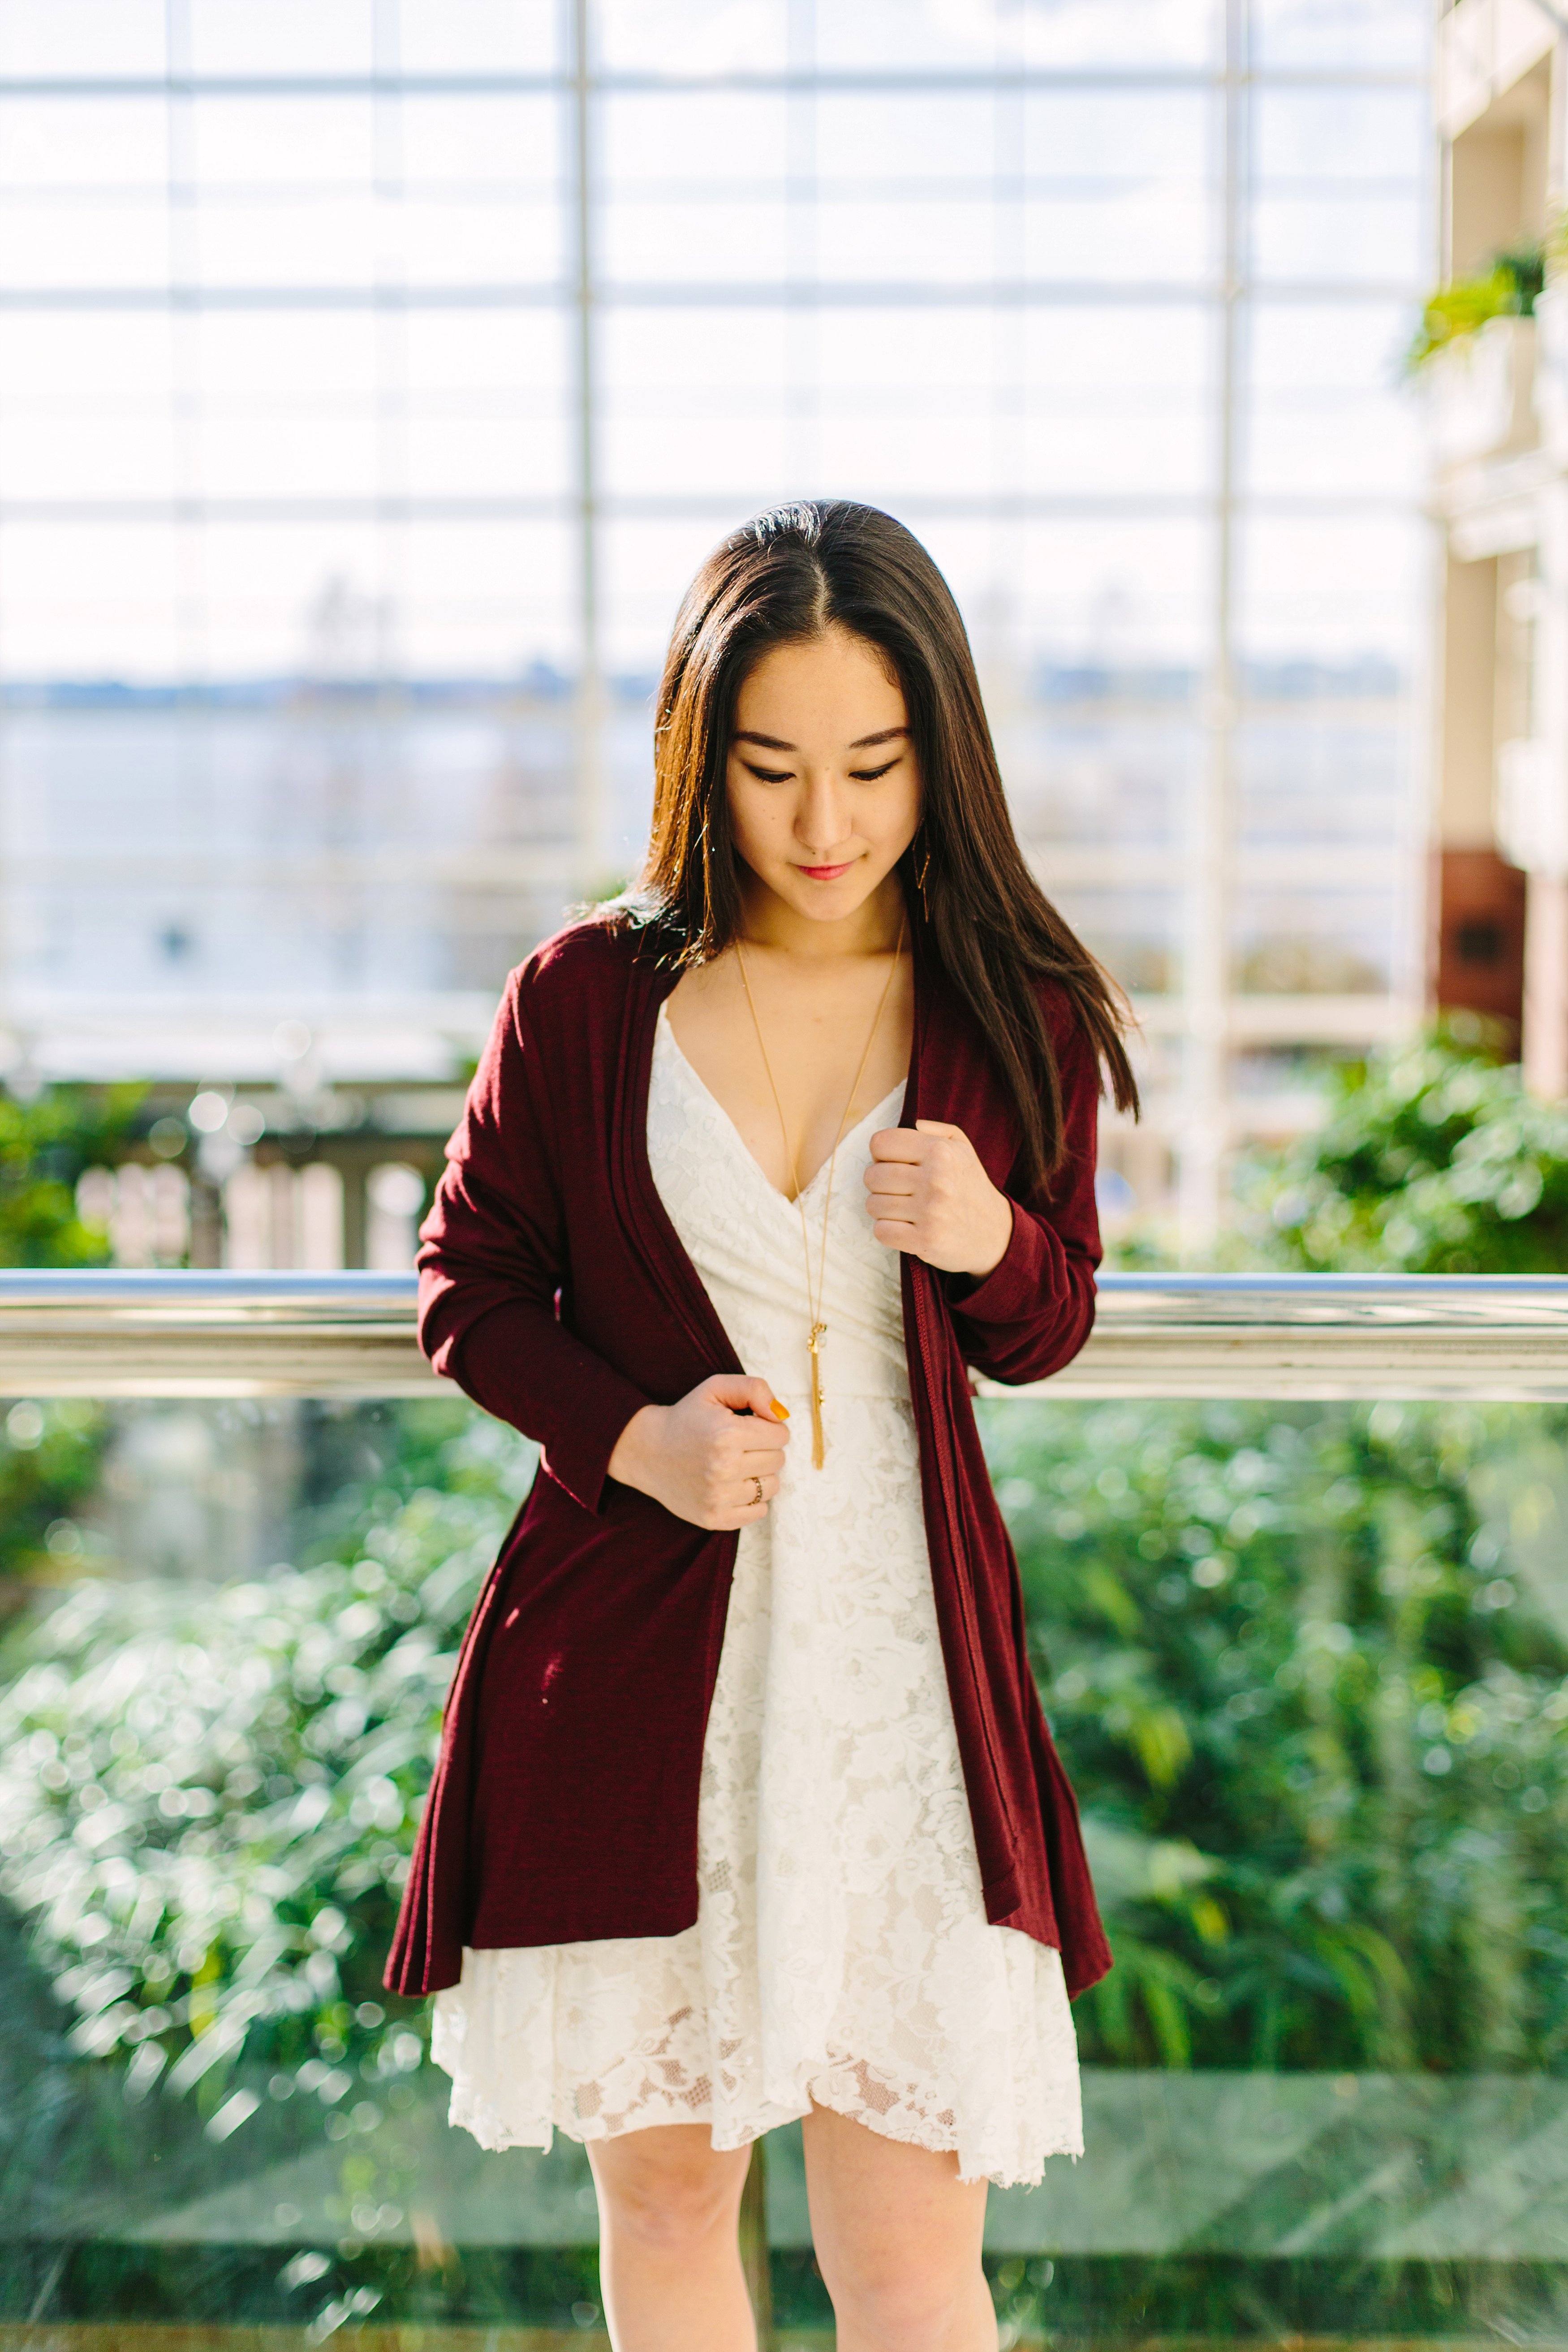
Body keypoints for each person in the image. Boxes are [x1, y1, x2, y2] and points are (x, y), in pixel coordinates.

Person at [386, 500, 1138, 2352]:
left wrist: (985, 1238)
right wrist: (631, 1436)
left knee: (904, 2253)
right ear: (698, 757)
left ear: (936, 755)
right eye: (772, 766)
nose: (825, 825)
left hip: (895, 1685)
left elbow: (1050, 1322)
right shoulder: (581, 996)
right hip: (634, 1678)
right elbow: (460, 1281)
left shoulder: (1007, 1010)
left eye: (873, 766)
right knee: (663, 2202)